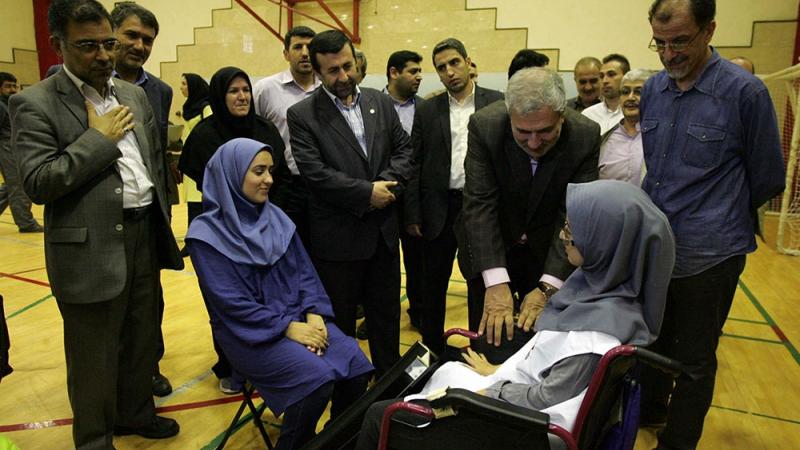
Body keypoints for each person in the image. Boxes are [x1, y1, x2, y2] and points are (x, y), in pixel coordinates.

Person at [354, 179, 676, 449]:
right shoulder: (602, 290)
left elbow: (544, 399)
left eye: (570, 229)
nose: (563, 235)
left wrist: (491, 386)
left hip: (527, 428)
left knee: (382, 415)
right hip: (520, 402)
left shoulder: (596, 336)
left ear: (604, 242)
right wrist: (498, 371)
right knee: (439, 373)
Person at [10, 0, 184, 447]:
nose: (104, 56)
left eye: (107, 43)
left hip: (145, 230)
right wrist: (97, 140)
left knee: (142, 338)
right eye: (87, 46)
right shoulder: (34, 103)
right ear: (57, 45)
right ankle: (94, 439)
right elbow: (38, 183)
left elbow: (150, 165)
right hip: (88, 246)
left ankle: (136, 414)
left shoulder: (134, 94)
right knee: (94, 356)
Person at [638, 1, 786, 449]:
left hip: (712, 253)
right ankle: (650, 414)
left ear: (709, 31)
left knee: (696, 361)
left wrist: (716, 214)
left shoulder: (746, 93)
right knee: (652, 345)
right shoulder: (653, 91)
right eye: (660, 43)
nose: (668, 55)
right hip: (659, 249)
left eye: (679, 41)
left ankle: (677, 443)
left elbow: (768, 177)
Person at [187, 138, 373, 450]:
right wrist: (288, 328)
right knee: (315, 381)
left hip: (300, 318)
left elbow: (306, 275)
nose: (269, 180)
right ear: (231, 175)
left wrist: (314, 313)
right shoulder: (205, 236)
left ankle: (334, 440)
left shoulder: (277, 218)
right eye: (259, 171)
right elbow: (232, 305)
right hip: (249, 335)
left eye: (270, 170)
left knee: (357, 366)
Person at [287, 29, 414, 378]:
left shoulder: (380, 101)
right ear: (317, 72)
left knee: (386, 320)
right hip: (339, 242)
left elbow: (404, 150)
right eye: (333, 71)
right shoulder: (302, 115)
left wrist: (386, 187)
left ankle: (390, 388)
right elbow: (315, 174)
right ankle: (348, 397)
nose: (343, 77)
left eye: (348, 66)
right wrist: (366, 193)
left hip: (383, 237)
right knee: (341, 326)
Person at [456, 68, 600, 363]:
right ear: (509, 117)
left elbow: (573, 213)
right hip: (491, 254)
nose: (534, 143)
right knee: (489, 342)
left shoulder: (584, 134)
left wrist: (548, 287)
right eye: (523, 132)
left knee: (543, 348)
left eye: (546, 131)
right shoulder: (485, 126)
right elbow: (480, 205)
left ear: (562, 115)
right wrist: (495, 283)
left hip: (551, 254)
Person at [179, 66, 289, 394]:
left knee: (264, 298)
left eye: (246, 90)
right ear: (219, 96)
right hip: (224, 231)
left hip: (263, 227)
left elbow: (277, 179)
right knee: (227, 304)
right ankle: (229, 364)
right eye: (233, 91)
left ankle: (265, 360)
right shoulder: (204, 135)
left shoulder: (265, 129)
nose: (241, 97)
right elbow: (205, 185)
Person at [405, 38, 504, 354]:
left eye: (454, 63)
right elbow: (414, 161)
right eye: (441, 68)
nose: (449, 72)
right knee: (432, 284)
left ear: (468, 62)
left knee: (478, 283)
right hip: (438, 209)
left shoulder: (497, 104)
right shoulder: (427, 109)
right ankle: (432, 349)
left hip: (480, 208)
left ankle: (479, 348)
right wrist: (413, 213)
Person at [110, 1, 176, 398]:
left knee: (150, 300)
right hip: (104, 215)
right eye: (131, 35)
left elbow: (156, 154)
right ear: (110, 34)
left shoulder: (160, 91)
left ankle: (149, 365)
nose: (139, 45)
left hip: (148, 215)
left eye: (147, 40)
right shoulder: (67, 81)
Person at [253, 26, 320, 243]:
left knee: (322, 252)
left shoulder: (328, 90)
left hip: (323, 185)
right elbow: (253, 135)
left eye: (310, 47)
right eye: (298, 46)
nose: (305, 53)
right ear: (286, 54)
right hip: (283, 185)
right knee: (283, 247)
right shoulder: (265, 90)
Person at [384, 50, 425, 330]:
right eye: (413, 71)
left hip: (415, 199)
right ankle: (381, 317)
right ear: (393, 73)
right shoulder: (370, 105)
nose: (419, 77)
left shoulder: (425, 108)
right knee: (384, 268)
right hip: (381, 195)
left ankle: (419, 312)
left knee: (417, 263)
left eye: (420, 71)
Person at [0, 72, 42, 233]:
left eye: (14, 86)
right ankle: (26, 223)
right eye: (7, 86)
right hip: (6, 148)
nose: (12, 90)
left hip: (11, 147)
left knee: (10, 186)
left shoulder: (9, 104)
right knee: (18, 185)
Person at [598, 68, 652, 185]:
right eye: (625, 92)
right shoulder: (605, 140)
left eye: (639, 92)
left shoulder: (660, 137)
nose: (630, 98)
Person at [178, 72, 211, 254]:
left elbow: (209, 132)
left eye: (184, 84)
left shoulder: (206, 107)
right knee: (191, 204)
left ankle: (199, 242)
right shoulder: (189, 107)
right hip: (190, 161)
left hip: (202, 162)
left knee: (199, 204)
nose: (181, 88)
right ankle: (192, 240)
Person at [582, 53, 630, 134]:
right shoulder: (588, 115)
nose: (605, 81)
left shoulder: (635, 113)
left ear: (626, 77)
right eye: (601, 76)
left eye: (611, 75)